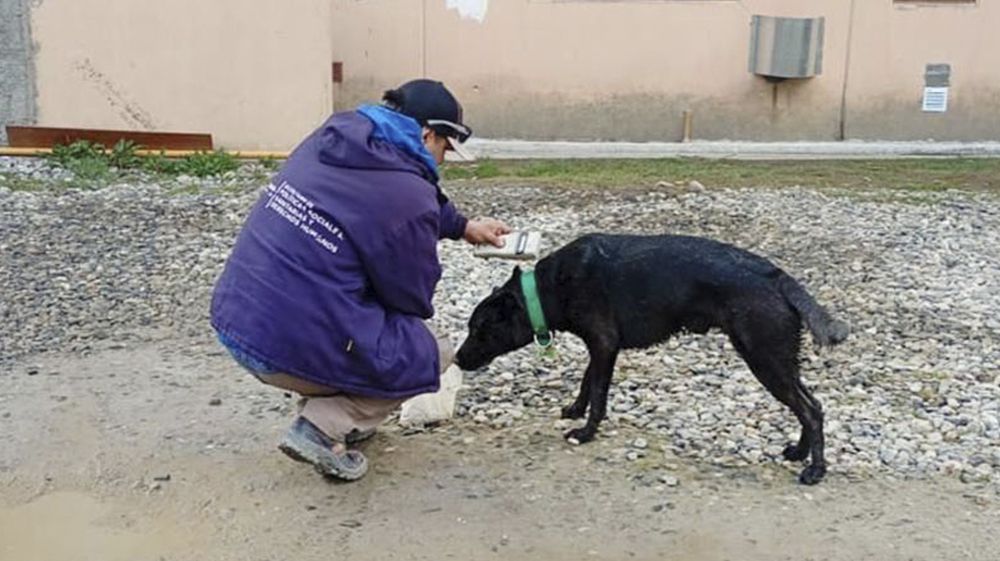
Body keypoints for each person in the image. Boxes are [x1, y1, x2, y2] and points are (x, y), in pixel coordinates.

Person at [210, 79, 510, 481]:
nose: (441, 162)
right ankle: (322, 425)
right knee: (428, 350)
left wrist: (462, 226)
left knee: (352, 312)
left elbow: (390, 199)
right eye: (444, 149)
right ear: (427, 134)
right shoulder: (407, 193)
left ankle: (342, 411)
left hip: (236, 319)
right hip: (280, 348)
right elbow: (411, 299)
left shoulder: (333, 137)